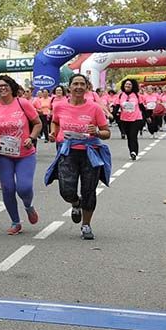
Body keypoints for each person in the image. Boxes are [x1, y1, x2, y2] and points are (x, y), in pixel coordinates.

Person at [48, 73, 111, 240]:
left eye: (82, 84)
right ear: (69, 87)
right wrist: (53, 133)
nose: (78, 87)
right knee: (66, 191)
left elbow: (107, 133)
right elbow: (55, 122)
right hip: (68, 152)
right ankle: (75, 203)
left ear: (86, 87)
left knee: (89, 190)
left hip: (90, 153)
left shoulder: (95, 108)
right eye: (75, 84)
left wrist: (97, 132)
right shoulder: (60, 106)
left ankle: (86, 225)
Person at [0, 75, 43, 235]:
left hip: (25, 153)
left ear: (12, 87)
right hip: (2, 154)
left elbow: (38, 123)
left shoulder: (22, 103)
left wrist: (31, 138)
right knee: (8, 188)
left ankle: (28, 205)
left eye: (6, 85)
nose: (2, 88)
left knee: (24, 187)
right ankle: (16, 222)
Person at [115, 78, 145, 160]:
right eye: (126, 84)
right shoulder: (120, 96)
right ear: (123, 85)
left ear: (133, 86)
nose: (127, 86)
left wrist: (147, 117)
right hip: (124, 119)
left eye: (129, 84)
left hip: (136, 119)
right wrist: (112, 116)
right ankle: (131, 151)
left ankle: (134, 152)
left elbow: (142, 107)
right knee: (129, 136)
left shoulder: (137, 95)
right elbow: (116, 107)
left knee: (133, 135)